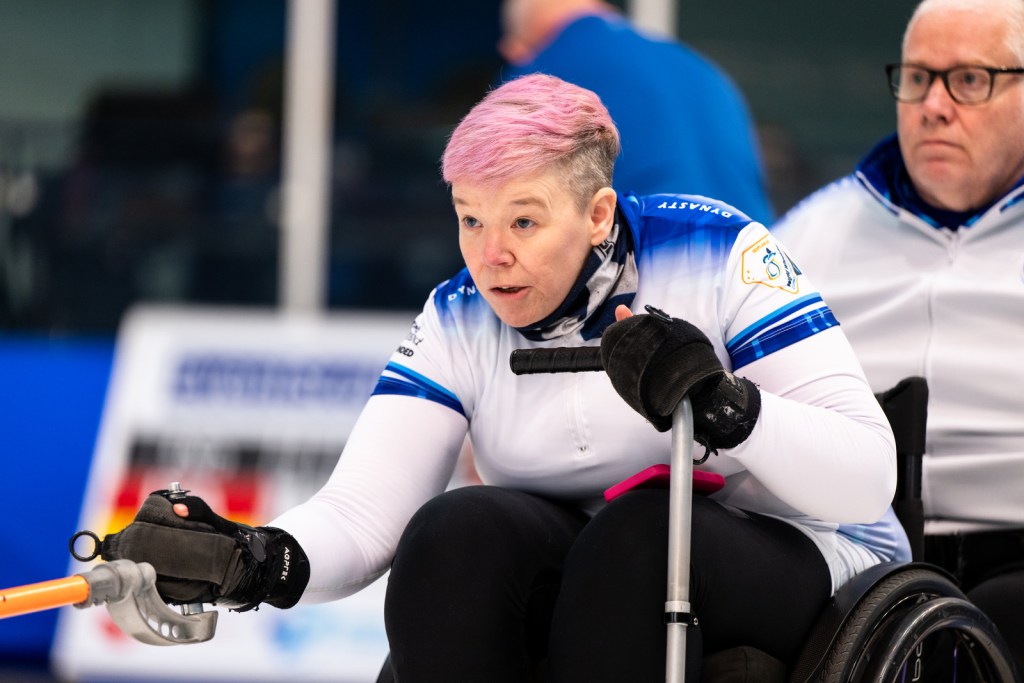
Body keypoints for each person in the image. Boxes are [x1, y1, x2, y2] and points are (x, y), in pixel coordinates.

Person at [99, 74, 907, 681]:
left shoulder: (719, 252)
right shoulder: (457, 316)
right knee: (454, 533)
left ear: (597, 213)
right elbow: (362, 512)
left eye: (523, 219)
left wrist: (725, 406)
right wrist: (254, 558)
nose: (492, 256)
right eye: (470, 219)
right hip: (601, 569)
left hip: (802, 552)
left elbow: (867, 478)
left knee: (640, 535)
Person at [771, 0, 1024, 671]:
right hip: (857, 556)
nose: (934, 107)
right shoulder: (812, 233)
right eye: (917, 79)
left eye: (968, 80)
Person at [498, 0, 774, 225]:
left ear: (515, 50)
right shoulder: (700, 67)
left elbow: (507, 208)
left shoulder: (538, 75)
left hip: (652, 260)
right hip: (757, 261)